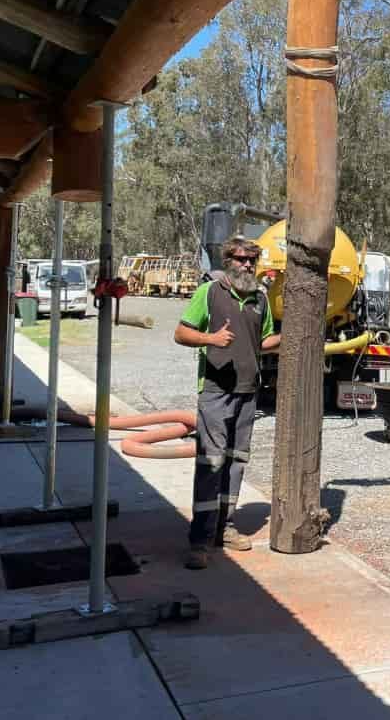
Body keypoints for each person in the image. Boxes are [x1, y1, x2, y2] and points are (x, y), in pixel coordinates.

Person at [174, 236, 280, 569]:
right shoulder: (210, 293)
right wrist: (212, 339)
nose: (247, 264)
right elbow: (180, 333)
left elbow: (263, 341)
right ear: (227, 259)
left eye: (252, 260)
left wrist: (293, 334)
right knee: (211, 463)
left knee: (235, 461)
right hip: (216, 392)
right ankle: (200, 540)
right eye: (240, 258)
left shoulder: (260, 300)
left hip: (248, 393)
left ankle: (225, 527)